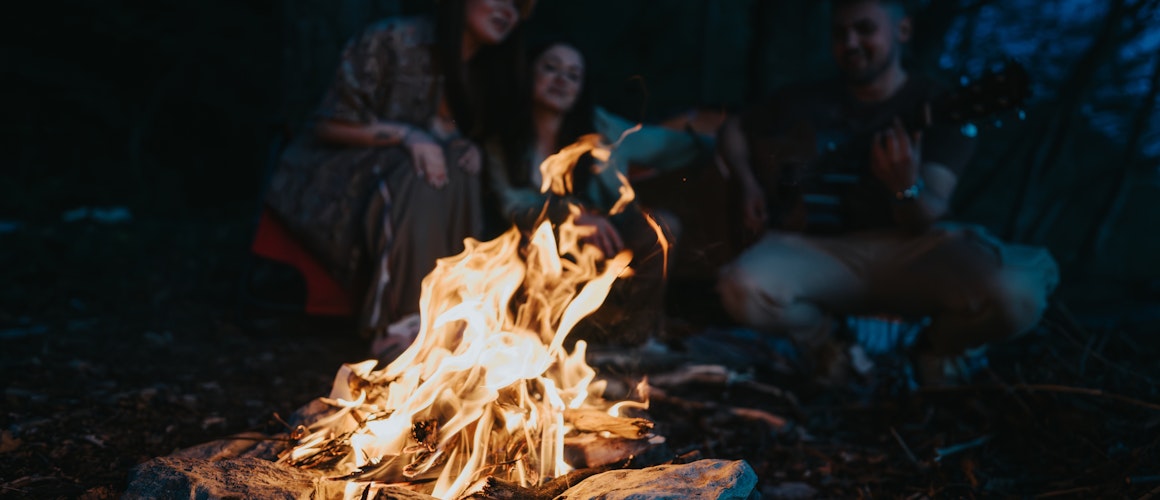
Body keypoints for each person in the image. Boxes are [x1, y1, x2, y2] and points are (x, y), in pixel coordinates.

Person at [715, 0, 1059, 386]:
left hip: (909, 251)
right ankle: (832, 346)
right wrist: (747, 184)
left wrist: (905, 188)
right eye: (840, 33)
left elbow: (929, 214)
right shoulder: (802, 100)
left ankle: (932, 348)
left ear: (903, 31)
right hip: (820, 251)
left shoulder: (940, 106)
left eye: (865, 29)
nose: (851, 43)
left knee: (1017, 296)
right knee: (742, 285)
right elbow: (733, 129)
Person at [263, 0, 534, 357]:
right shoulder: (393, 40)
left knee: (460, 165)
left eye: (517, 4)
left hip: (415, 186)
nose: (507, 10)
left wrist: (464, 145)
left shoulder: (485, 70)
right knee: (420, 170)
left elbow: (448, 132)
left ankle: (450, 316)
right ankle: (397, 324)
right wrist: (408, 137)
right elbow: (328, 125)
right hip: (333, 180)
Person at [483, 40, 708, 345]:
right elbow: (513, 205)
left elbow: (665, 145)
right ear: (529, 73)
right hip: (537, 236)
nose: (561, 80)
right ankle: (537, 341)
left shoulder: (600, 128)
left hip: (606, 231)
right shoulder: (504, 137)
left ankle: (637, 339)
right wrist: (572, 216)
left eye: (573, 75)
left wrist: (722, 143)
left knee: (660, 229)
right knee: (534, 239)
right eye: (550, 68)